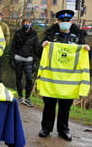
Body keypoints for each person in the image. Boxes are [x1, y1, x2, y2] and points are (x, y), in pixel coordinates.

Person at [38, 10, 90, 141]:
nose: (65, 23)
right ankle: (46, 128)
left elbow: (85, 58)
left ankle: (63, 130)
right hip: (52, 79)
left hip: (69, 81)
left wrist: (86, 50)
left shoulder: (78, 37)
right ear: (58, 22)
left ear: (71, 22)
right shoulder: (50, 36)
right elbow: (39, 53)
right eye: (62, 21)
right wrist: (42, 46)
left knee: (65, 107)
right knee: (49, 105)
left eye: (68, 21)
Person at [9, 18, 39, 107]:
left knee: (29, 79)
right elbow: (13, 47)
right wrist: (11, 59)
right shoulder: (18, 33)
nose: (26, 24)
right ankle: (20, 96)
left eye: (27, 23)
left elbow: (36, 49)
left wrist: (35, 62)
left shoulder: (34, 34)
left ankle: (27, 98)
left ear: (30, 23)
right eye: (24, 23)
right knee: (18, 78)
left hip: (29, 59)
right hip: (18, 58)